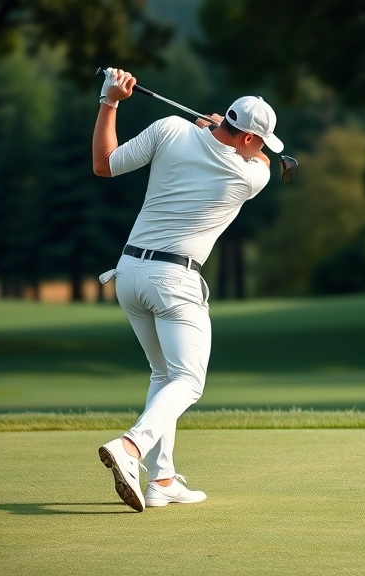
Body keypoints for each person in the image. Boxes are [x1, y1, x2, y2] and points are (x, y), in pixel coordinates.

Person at [91, 68, 283, 512]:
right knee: (189, 381)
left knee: (164, 376)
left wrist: (110, 101)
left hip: (129, 272)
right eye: (260, 142)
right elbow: (263, 163)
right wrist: (218, 133)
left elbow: (104, 163)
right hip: (175, 282)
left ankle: (161, 480)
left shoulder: (168, 129)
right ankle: (131, 448)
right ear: (251, 140)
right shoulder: (248, 177)